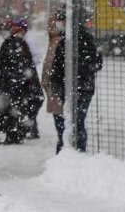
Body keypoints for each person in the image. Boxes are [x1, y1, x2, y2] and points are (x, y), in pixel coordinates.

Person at [41, 8, 103, 154]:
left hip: (73, 89)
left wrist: (60, 82)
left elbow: (92, 64)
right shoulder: (73, 37)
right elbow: (95, 63)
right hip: (77, 88)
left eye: (60, 20)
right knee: (75, 123)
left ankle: (68, 153)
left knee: (68, 124)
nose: (58, 23)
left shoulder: (73, 39)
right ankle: (73, 153)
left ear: (67, 21)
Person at [0, 18, 44, 145]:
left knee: (13, 109)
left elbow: (11, 65)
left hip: (13, 85)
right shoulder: (19, 43)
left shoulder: (15, 44)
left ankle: (14, 135)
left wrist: (6, 78)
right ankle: (18, 133)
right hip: (16, 84)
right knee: (18, 108)